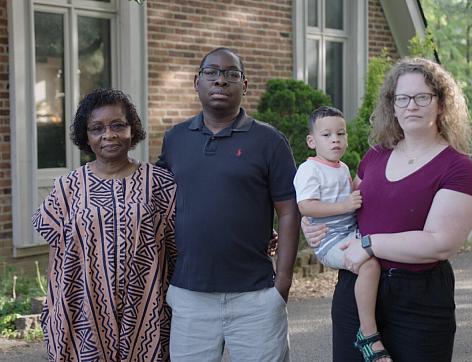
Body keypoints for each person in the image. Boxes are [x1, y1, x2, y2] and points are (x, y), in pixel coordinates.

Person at [302, 58, 472, 362]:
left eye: (422, 97)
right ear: (392, 106)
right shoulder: (376, 156)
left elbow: (440, 243)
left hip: (418, 300)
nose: (411, 105)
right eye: (402, 98)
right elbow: (349, 206)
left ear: (441, 104)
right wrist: (315, 221)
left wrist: (370, 243)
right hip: (355, 292)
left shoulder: (457, 167)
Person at [157, 47, 300, 362]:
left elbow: (289, 211)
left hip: (256, 296)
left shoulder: (270, 142)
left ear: (244, 86)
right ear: (197, 82)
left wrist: (282, 284)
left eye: (231, 74)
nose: (220, 81)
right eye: (211, 73)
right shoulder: (175, 139)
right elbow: (156, 203)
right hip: (190, 294)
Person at [32, 88, 177, 361]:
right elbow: (56, 252)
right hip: (82, 312)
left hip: (146, 311)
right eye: (96, 128)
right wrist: (52, 307)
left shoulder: (159, 183)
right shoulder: (67, 187)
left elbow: (177, 248)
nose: (108, 135)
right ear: (86, 136)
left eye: (117, 125)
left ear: (132, 129)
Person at [293, 106, 390, 361]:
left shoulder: (343, 167)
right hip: (329, 238)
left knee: (377, 254)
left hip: (349, 232)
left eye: (340, 133)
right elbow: (305, 206)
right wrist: (344, 206)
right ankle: (368, 332)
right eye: (326, 135)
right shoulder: (309, 169)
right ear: (311, 141)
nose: (335, 139)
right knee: (369, 265)